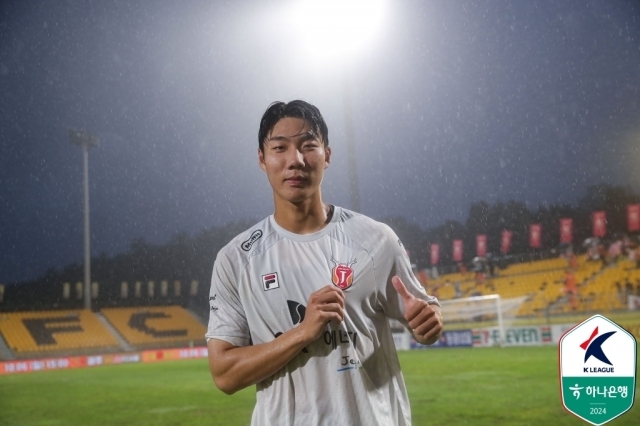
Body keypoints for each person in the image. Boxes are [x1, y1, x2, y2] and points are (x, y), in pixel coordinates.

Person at [205, 100, 443, 426]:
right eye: (280, 148)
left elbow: (426, 319)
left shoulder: (376, 240)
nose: (296, 160)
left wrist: (428, 324)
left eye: (308, 146)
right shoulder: (236, 259)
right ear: (262, 159)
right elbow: (225, 374)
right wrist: (303, 333)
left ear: (327, 155)